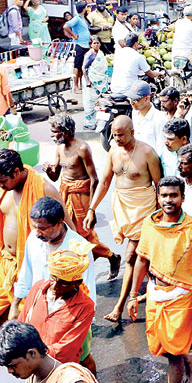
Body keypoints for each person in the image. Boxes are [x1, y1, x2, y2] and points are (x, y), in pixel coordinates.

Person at [124, 177, 192, 383]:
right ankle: (187, 361)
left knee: (171, 354)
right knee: (163, 347)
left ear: (183, 197)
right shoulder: (151, 225)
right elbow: (142, 259)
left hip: (181, 297)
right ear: (158, 197)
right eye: (164, 195)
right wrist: (133, 295)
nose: (168, 200)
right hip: (154, 292)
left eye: (173, 195)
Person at [84, 116, 161, 323]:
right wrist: (92, 208)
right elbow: (105, 182)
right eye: (114, 134)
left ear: (132, 132)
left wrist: (161, 218)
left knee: (131, 256)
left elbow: (160, 187)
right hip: (124, 210)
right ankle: (154, 289)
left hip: (144, 209)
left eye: (120, 135)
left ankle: (122, 304)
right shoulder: (113, 152)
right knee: (144, 255)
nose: (116, 138)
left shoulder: (147, 153)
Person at [0, 149, 61, 337]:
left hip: (32, 265)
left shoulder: (44, 188)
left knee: (30, 319)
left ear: (16, 172)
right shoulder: (3, 186)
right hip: (6, 263)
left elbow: (66, 227)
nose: (0, 186)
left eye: (2, 181)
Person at [44, 114, 119, 274]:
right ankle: (93, 258)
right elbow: (55, 176)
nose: (51, 135)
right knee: (70, 231)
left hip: (82, 196)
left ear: (65, 131)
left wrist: (92, 208)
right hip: (65, 194)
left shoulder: (82, 148)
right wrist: (49, 170)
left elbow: (94, 180)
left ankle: (110, 256)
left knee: (84, 233)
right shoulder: (59, 148)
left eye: (54, 131)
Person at [9, 197, 96, 321]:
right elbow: (26, 274)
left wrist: (84, 322)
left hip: (67, 316)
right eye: (35, 227)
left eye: (43, 229)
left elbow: (88, 288)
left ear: (59, 222)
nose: (38, 233)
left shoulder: (79, 248)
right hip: (37, 310)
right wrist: (15, 306)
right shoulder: (33, 239)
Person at [19, 245, 96, 369]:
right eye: (52, 278)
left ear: (77, 283)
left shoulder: (85, 307)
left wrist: (33, 357)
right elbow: (21, 324)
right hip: (33, 361)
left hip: (58, 367)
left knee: (83, 357)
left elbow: (66, 349)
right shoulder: (38, 289)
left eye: (63, 283)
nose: (54, 286)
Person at [109, 33, 163, 97]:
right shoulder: (139, 57)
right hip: (127, 90)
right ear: (135, 44)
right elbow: (150, 74)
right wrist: (159, 73)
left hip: (114, 89)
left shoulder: (119, 53)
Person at [128, 81, 169, 151]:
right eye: (130, 98)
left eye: (135, 100)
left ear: (147, 99)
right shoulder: (134, 113)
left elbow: (161, 149)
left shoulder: (160, 120)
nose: (131, 103)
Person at [81, 36, 110, 130]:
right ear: (90, 44)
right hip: (90, 81)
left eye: (98, 43)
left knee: (97, 102)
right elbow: (83, 68)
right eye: (94, 43)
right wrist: (87, 81)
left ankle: (95, 121)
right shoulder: (89, 54)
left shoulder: (100, 54)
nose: (96, 45)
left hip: (98, 82)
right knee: (90, 102)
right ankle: (89, 123)